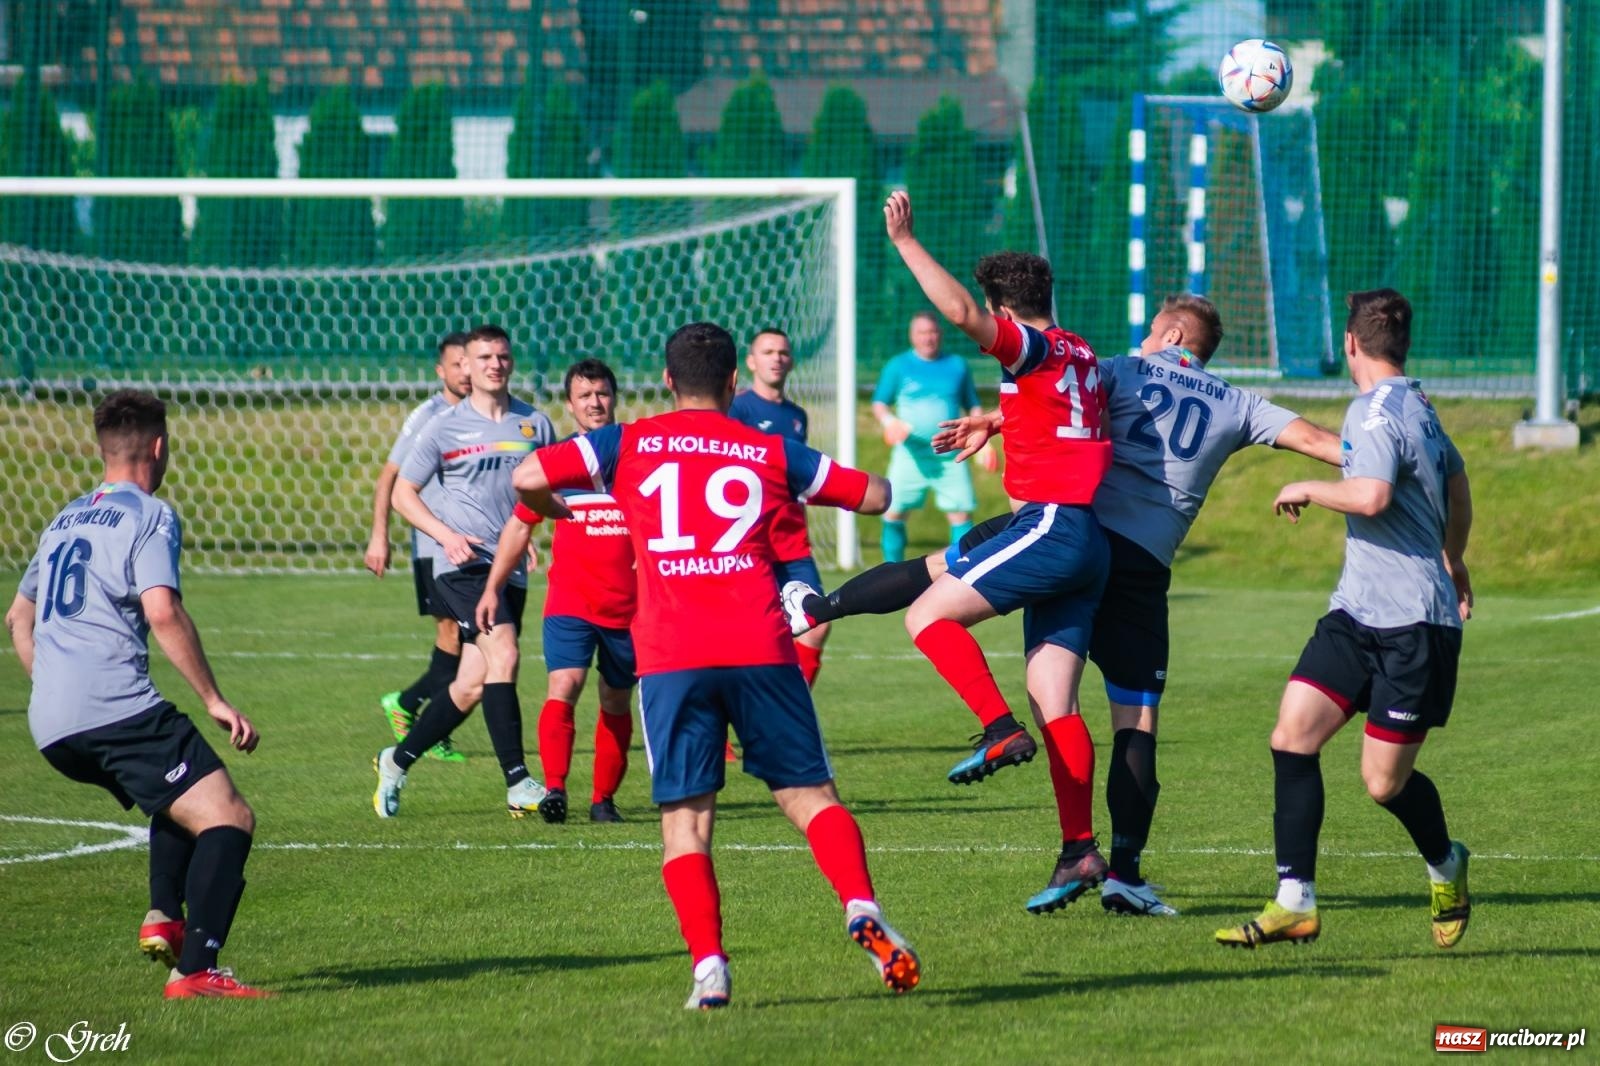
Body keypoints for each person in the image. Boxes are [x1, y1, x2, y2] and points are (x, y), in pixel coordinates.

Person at [788, 293, 1343, 915]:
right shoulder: (1242, 405)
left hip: (1073, 538)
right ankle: (1124, 875)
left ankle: (820, 612)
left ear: (1173, 335)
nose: (1145, 339)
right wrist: (1383, 462)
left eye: (1152, 330)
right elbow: (1321, 440)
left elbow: (1057, 397)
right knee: (1136, 722)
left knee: (1021, 661)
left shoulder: (1124, 369)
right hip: (1141, 568)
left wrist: (991, 421)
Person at [512, 321, 920, 1010]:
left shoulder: (628, 441)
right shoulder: (769, 448)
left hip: (672, 655)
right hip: (760, 645)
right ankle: (860, 905)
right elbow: (878, 497)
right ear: (735, 381)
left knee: (687, 823)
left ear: (667, 380)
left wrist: (548, 509)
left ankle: (710, 969)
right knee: (810, 799)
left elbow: (526, 476)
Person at [1216, 289, 1474, 950]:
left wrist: (1305, 485)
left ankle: (1446, 863)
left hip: (1413, 626)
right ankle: (1295, 902)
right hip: (1356, 614)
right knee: (1291, 737)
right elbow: (1457, 481)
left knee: (1383, 784)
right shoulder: (1418, 404)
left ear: (1351, 343)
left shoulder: (1374, 409)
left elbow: (1372, 494)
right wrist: (1455, 558)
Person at [881, 189, 1116, 911]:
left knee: (926, 616)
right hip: (1088, 541)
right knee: (1057, 700)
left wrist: (906, 242)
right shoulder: (1080, 351)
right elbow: (1058, 412)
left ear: (1005, 310)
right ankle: (1080, 850)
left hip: (1050, 526)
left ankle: (996, 728)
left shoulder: (1030, 346)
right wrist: (995, 419)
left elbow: (959, 313)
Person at [5, 390, 267, 998]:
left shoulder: (63, 519)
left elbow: (18, 618)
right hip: (114, 709)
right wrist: (214, 699)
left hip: (50, 725)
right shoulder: (150, 515)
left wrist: (54, 687)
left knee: (180, 790)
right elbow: (162, 610)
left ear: (105, 452)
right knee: (230, 817)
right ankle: (196, 970)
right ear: (158, 447)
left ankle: (163, 915)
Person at [371, 324, 558, 820]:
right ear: (467, 366)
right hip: (459, 564)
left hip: (507, 565)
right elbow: (402, 493)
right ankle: (517, 781)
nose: (495, 365)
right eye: (484, 358)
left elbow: (540, 490)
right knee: (506, 651)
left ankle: (396, 760)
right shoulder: (443, 426)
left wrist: (529, 531)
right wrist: (446, 535)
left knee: (473, 683)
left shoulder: (534, 424)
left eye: (502, 356)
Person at [475, 358, 637, 824]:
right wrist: (492, 588)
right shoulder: (559, 462)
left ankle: (603, 799)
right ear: (570, 405)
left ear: (615, 398)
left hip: (630, 607)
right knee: (564, 684)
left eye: (602, 393)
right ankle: (555, 790)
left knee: (615, 699)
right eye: (584, 395)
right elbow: (518, 526)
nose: (595, 403)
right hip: (571, 601)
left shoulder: (635, 461)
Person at [366, 332, 472, 763]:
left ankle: (413, 708)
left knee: (468, 641)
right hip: (434, 545)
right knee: (456, 636)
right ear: (440, 371)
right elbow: (389, 477)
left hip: (472, 545)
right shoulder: (429, 416)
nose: (465, 372)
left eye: (470, 362)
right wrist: (380, 535)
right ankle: (422, 718)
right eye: (456, 364)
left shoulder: (481, 416)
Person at [727, 328, 829, 691]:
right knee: (747, 632)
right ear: (751, 362)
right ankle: (734, 720)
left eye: (783, 352)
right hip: (746, 537)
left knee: (817, 620)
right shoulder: (737, 409)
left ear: (792, 362)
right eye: (768, 352)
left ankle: (791, 710)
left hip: (790, 539)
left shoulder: (797, 415)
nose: (777, 358)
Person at [871, 311, 992, 561]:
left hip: (950, 456)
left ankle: (961, 572)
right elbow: (879, 403)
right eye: (922, 333)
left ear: (941, 334)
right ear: (912, 336)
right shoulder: (898, 365)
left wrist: (985, 439)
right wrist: (889, 422)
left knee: (961, 513)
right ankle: (891, 573)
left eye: (933, 332)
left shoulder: (957, 365)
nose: (928, 338)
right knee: (893, 512)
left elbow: (973, 406)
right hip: (910, 455)